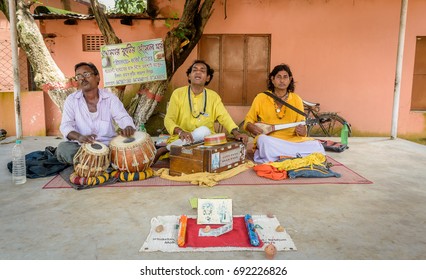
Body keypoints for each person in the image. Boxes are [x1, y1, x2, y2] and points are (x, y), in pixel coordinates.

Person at [154, 60, 248, 162]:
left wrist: (236, 133)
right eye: (194, 70)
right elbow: (169, 119)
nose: (198, 72)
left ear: (208, 77)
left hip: (206, 141)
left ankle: (166, 149)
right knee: (203, 132)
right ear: (189, 76)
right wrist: (180, 132)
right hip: (181, 139)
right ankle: (168, 149)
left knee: (205, 132)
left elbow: (224, 117)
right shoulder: (178, 94)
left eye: (202, 71)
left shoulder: (213, 96)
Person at [56, 62, 136, 165]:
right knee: (63, 148)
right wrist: (79, 137)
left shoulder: (110, 98)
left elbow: (122, 117)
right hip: (83, 148)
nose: (82, 79)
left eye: (86, 74)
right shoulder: (72, 100)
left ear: (97, 77)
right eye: (78, 76)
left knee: (133, 147)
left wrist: (128, 126)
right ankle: (105, 163)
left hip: (108, 147)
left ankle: (92, 164)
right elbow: (66, 126)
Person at [243, 63, 325, 163]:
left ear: (290, 80)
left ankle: (278, 156)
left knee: (317, 146)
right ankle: (293, 156)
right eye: (278, 77)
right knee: (262, 140)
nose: (282, 80)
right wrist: (250, 127)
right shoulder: (261, 98)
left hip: (292, 141)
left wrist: (303, 131)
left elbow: (302, 126)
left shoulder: (296, 99)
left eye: (285, 77)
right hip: (271, 140)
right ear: (272, 80)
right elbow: (248, 121)